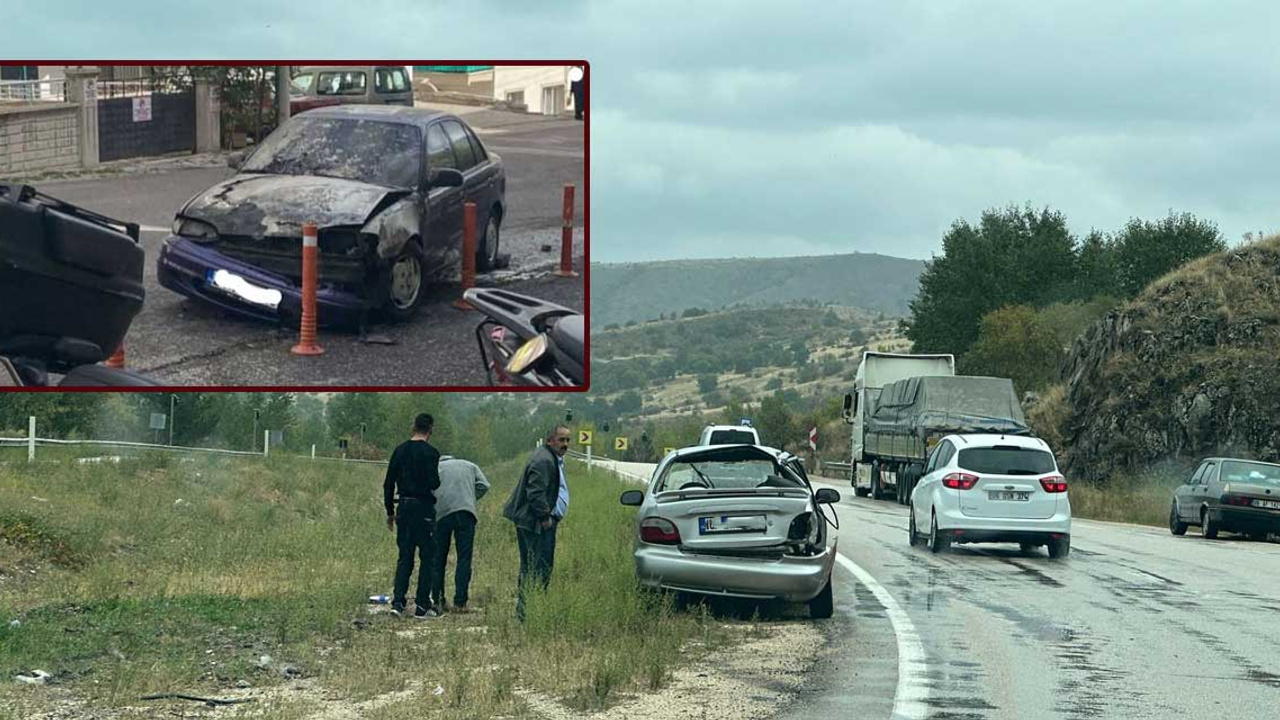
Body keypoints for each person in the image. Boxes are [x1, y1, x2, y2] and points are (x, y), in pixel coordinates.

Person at [503, 424, 571, 620]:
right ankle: (527, 613)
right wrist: (544, 518)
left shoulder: (549, 457)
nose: (565, 444)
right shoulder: (543, 460)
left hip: (536, 522)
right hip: (536, 524)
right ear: (550, 441)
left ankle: (529, 611)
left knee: (533, 566)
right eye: (561, 440)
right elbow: (535, 493)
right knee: (537, 567)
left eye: (567, 440)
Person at [383, 413, 442, 619]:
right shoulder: (432, 453)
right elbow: (435, 483)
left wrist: (390, 512)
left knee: (405, 556)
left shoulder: (400, 451)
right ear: (430, 429)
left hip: (404, 508)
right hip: (424, 508)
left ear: (413, 426)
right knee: (427, 557)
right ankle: (421, 605)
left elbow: (388, 483)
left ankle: (398, 603)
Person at [431, 454, 491, 613]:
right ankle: (460, 602)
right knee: (464, 558)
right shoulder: (469, 465)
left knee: (438, 558)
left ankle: (438, 601)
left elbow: (428, 488)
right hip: (466, 512)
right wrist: (471, 498)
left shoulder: (436, 467)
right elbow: (484, 485)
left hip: (441, 514)